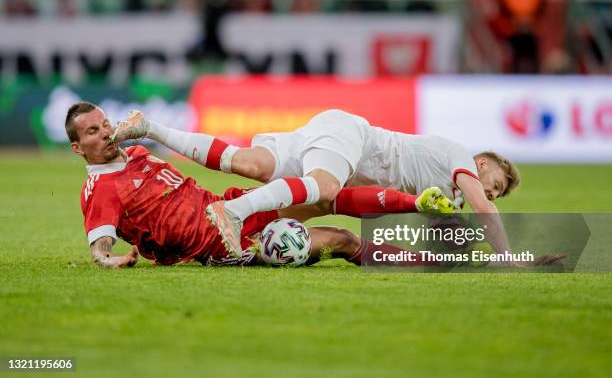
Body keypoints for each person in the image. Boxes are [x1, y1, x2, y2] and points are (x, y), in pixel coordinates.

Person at [111, 109, 522, 260]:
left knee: (248, 163)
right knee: (323, 189)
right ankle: (232, 213)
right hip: (352, 141)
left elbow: (444, 249)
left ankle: (148, 126)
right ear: (481, 163)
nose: (492, 192)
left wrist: (471, 250)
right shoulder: (459, 157)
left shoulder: (446, 197)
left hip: (333, 139)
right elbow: (484, 212)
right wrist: (511, 258)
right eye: (496, 183)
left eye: (498, 192)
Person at [67, 101, 435, 268]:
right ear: (77, 147)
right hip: (220, 244)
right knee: (341, 239)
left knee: (325, 195)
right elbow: (99, 248)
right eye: (92, 132)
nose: (105, 133)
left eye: (104, 124)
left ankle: (416, 203)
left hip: (229, 204)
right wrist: (112, 260)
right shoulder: (101, 190)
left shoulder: (137, 156)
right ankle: (423, 263)